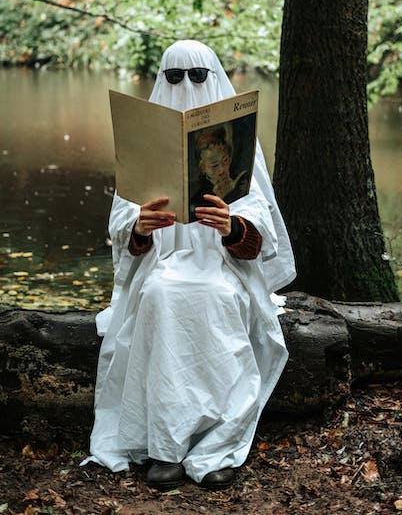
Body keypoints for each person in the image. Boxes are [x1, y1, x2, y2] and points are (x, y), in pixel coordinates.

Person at [82, 40, 296, 490]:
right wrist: (141, 225)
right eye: (175, 76)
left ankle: (218, 442)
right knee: (161, 295)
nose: (186, 85)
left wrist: (232, 226)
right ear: (163, 78)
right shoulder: (145, 145)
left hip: (222, 268)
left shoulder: (240, 145)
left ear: (213, 76)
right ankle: (165, 445)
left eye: (197, 75)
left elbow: (260, 231)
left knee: (215, 297)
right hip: (164, 265)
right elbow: (123, 228)